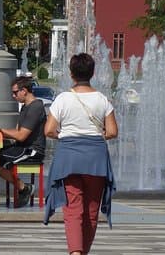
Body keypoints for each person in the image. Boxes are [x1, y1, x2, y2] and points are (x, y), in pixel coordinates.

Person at [43, 53, 118, 255]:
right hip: (96, 158)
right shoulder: (102, 100)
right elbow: (112, 132)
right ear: (92, 73)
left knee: (73, 208)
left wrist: (65, 136)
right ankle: (83, 251)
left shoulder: (62, 99)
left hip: (69, 157)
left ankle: (75, 252)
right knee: (91, 210)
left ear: (71, 73)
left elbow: (49, 130)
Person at [0, 76, 46, 207]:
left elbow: (22, 135)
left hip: (32, 150)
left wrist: (0, 130)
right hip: (22, 147)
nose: (13, 96)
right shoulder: (25, 107)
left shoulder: (36, 107)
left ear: (24, 91)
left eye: (15, 92)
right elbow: (17, 132)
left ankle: (24, 188)